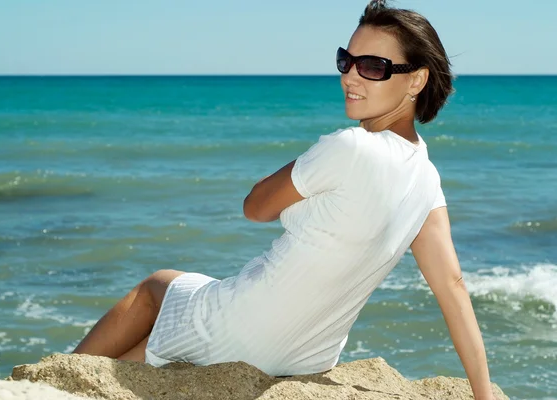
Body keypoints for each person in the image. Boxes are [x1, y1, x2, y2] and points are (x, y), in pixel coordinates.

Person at [73, 1, 496, 398]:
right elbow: (452, 286)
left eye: (372, 66)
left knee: (156, 286)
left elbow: (254, 207)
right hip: (308, 357)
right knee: (151, 343)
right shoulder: (426, 176)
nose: (350, 76)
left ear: (416, 80)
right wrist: (483, 393)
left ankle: (64, 373)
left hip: (245, 328)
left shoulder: (349, 146)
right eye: (345, 61)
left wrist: (307, 164)